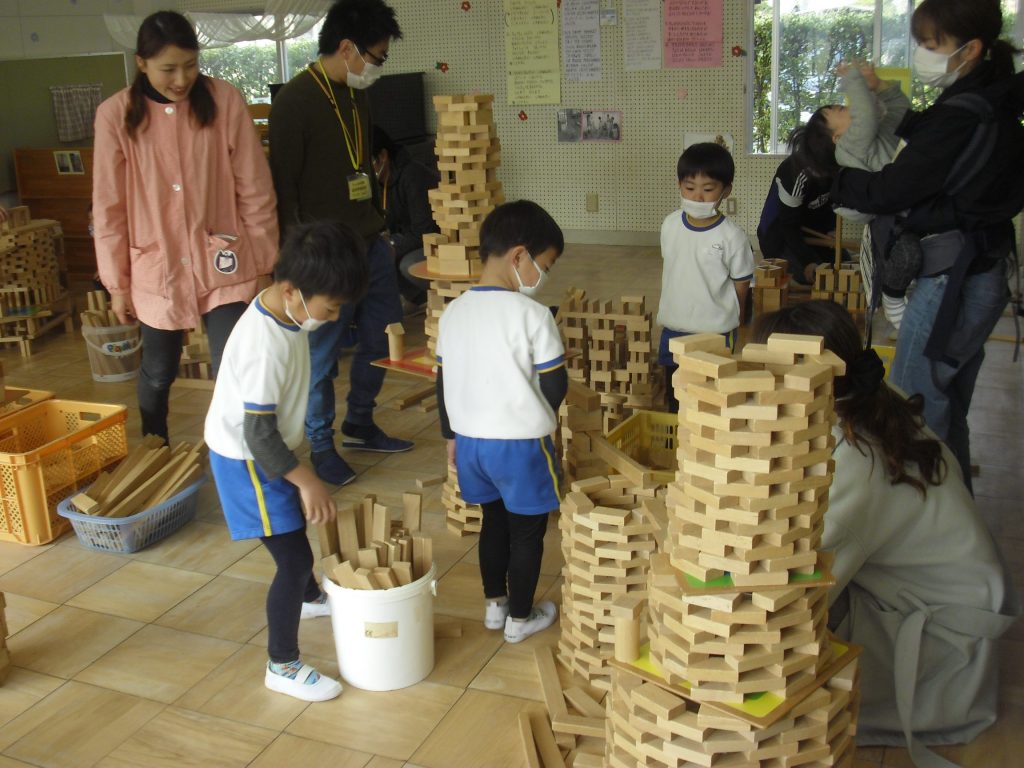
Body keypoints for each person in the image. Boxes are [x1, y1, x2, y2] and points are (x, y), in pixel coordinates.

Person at [754, 300, 1018, 766]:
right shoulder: (868, 399)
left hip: (946, 645)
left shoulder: (851, 466)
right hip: (944, 600)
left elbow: (788, 589)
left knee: (769, 678)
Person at [830, 0, 1024, 491]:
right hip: (980, 268)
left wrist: (840, 176)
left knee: (917, 393)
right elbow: (933, 135)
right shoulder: (988, 98)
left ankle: (931, 507)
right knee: (946, 394)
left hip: (953, 278)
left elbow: (893, 188)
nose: (922, 54)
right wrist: (885, 95)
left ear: (971, 49)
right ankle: (953, 499)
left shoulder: (969, 110)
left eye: (931, 45)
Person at [93, 10, 278, 443]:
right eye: (168, 69)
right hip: (156, 265)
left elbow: (255, 187)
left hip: (226, 259)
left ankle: (239, 452)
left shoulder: (225, 101)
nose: (181, 79)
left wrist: (265, 260)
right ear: (141, 63)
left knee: (234, 363)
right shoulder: (115, 115)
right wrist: (117, 285)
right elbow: (108, 208)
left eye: (191, 65)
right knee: (158, 371)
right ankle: (154, 440)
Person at [205, 220, 370, 702]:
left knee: (290, 538)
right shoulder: (265, 345)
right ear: (291, 289)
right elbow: (258, 434)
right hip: (246, 458)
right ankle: (282, 664)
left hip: (267, 449)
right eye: (331, 307)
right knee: (294, 556)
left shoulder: (288, 313)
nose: (334, 317)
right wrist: (307, 480)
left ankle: (311, 599)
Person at [269, 0, 410, 487]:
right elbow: (282, 190)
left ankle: (360, 422)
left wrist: (381, 225)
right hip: (324, 256)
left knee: (382, 337)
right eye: (376, 57)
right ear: (347, 48)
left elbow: (360, 162)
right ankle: (321, 444)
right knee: (322, 358)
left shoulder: (356, 92)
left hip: (370, 240)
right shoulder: (294, 102)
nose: (377, 67)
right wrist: (294, 265)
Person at [435, 200, 567, 644]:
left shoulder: (453, 312)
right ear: (519, 256)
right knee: (527, 531)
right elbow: (555, 381)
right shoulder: (534, 315)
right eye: (543, 266)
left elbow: (442, 379)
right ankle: (522, 617)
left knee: (492, 522)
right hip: (520, 446)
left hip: (471, 443)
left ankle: (496, 606)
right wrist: (541, 416)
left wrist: (450, 436)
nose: (542, 277)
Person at [658, 142, 754, 413]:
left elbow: (741, 283)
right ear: (679, 185)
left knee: (712, 397)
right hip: (674, 326)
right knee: (675, 394)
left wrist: (738, 320)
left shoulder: (732, 237)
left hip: (716, 330)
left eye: (708, 189)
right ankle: (676, 444)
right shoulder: (670, 225)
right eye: (690, 188)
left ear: (726, 190)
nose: (698, 197)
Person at [756, 122, 838, 285]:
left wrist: (831, 229)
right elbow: (788, 225)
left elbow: (830, 202)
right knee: (813, 278)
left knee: (838, 271)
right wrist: (808, 260)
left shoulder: (836, 164)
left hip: (811, 232)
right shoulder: (794, 173)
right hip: (780, 235)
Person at [371, 126, 439, 307]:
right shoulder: (377, 183)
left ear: (383, 156)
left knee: (404, 264)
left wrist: (391, 245)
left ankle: (432, 300)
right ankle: (415, 302)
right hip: (406, 240)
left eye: (369, 162)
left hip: (436, 244)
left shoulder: (413, 176)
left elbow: (423, 233)